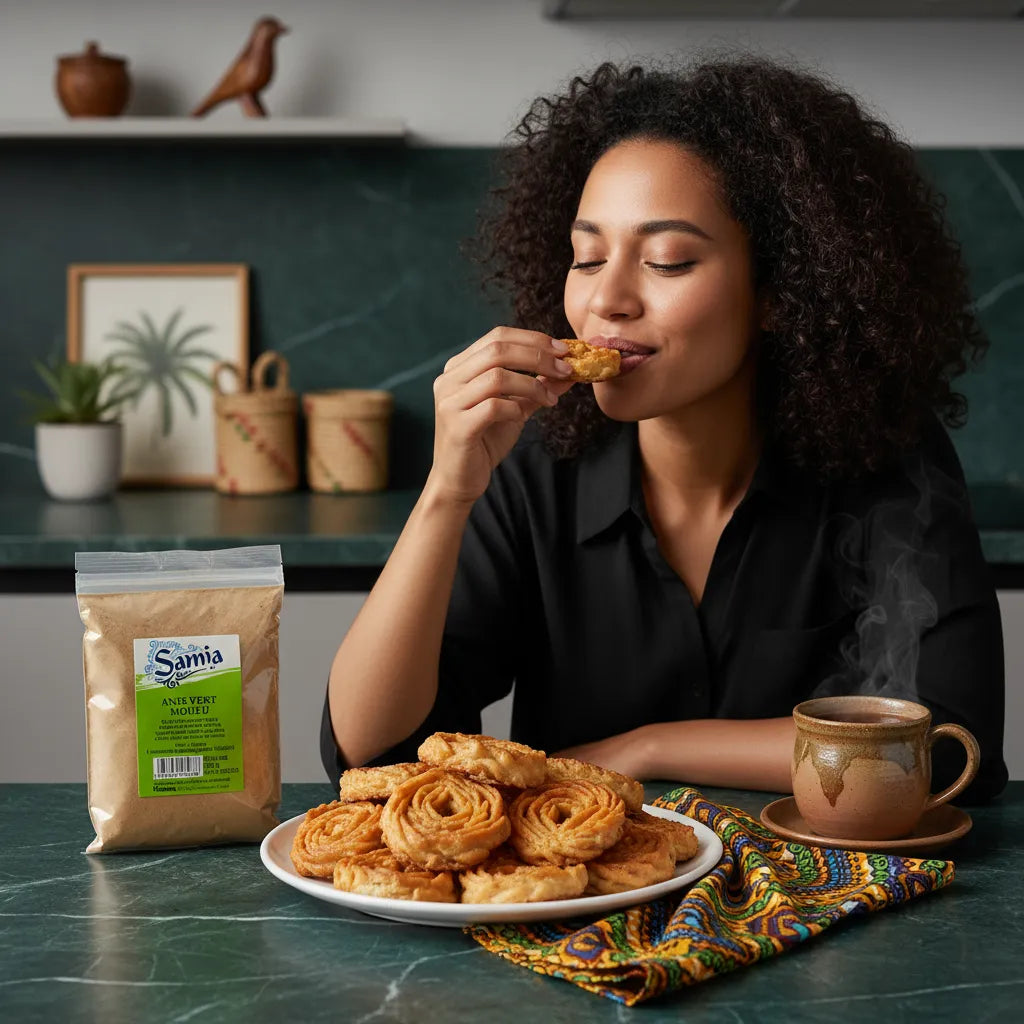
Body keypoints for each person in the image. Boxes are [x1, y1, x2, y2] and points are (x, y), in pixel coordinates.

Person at [321, 54, 1007, 803]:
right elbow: (371, 753)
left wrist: (645, 749)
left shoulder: (887, 457)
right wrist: (445, 493)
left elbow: (942, 743)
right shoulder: (533, 461)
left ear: (780, 288)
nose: (606, 299)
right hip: (576, 910)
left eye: (667, 261)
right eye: (587, 257)